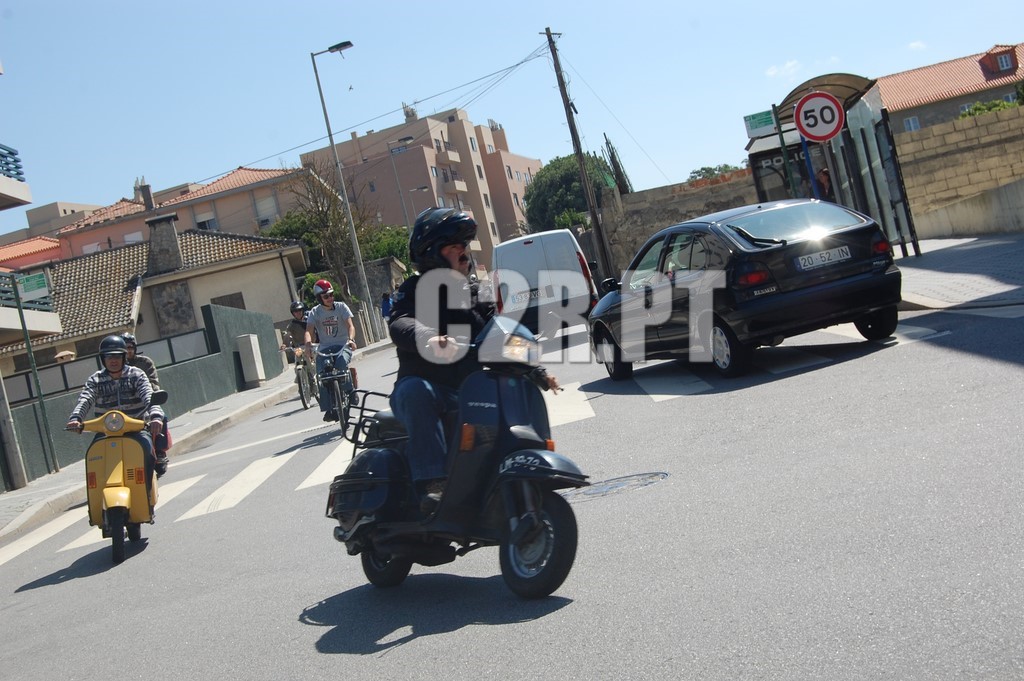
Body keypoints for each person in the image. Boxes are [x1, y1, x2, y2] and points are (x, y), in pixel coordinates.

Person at [389, 208, 560, 512]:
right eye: (454, 247)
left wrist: (534, 368)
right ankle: (433, 483)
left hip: (468, 390)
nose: (464, 253)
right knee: (417, 392)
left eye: (464, 246)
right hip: (425, 388)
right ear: (432, 253)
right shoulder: (413, 290)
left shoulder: (475, 293)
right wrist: (429, 337)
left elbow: (498, 331)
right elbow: (400, 322)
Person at [66, 335, 164, 494]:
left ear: (124, 357)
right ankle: (98, 496)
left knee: (147, 453)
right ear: (103, 359)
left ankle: (145, 493)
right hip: (106, 432)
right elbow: (85, 399)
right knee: (93, 459)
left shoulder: (137, 374)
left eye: (117, 356)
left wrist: (156, 416)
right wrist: (76, 418)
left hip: (136, 428)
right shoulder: (95, 379)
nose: (113, 360)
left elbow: (148, 395)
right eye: (109, 356)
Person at [304, 279, 358, 423]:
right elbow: (309, 331)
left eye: (331, 294)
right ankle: (328, 408)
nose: (330, 298)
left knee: (341, 363)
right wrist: (308, 345)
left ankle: (350, 391)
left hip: (343, 345)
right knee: (322, 375)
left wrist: (351, 340)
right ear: (319, 298)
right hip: (324, 348)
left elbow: (350, 326)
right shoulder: (315, 312)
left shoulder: (341, 307)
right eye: (326, 296)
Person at [122, 332, 170, 477]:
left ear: (135, 348)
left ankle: (160, 452)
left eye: (130, 347)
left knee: (161, 417)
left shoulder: (145, 363)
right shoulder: (116, 367)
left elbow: (154, 383)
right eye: (124, 348)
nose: (128, 351)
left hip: (145, 402)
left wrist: (149, 396)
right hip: (125, 406)